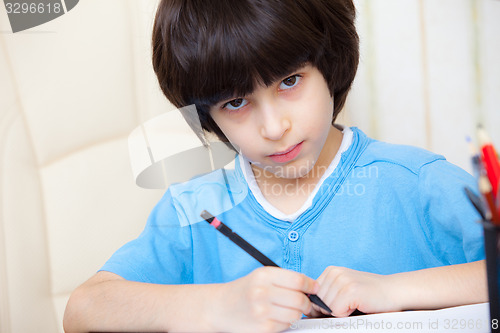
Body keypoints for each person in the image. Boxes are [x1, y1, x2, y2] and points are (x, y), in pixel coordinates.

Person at [63, 0, 487, 332]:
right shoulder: (194, 208)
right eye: (236, 102)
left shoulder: (416, 182)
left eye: (290, 81)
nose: (273, 127)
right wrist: (215, 307)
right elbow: (84, 310)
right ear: (208, 115)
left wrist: (394, 290)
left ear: (330, 66)